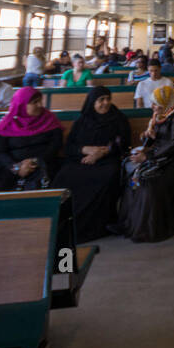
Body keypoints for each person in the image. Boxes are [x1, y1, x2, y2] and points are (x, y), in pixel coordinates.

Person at [115, 85, 174, 242]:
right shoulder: (162, 115)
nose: (153, 107)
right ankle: (130, 223)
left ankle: (147, 228)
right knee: (132, 174)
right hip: (164, 157)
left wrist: (147, 156)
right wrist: (148, 136)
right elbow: (154, 142)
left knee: (148, 181)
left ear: (167, 102)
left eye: (156, 103)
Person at [55, 87, 131, 242]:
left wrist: (102, 153)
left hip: (108, 160)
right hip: (80, 159)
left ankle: (97, 226)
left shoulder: (118, 118)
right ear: (92, 102)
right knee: (65, 176)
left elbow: (122, 142)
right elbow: (69, 146)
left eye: (108, 99)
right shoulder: (82, 120)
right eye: (101, 100)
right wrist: (84, 149)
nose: (106, 103)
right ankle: (62, 223)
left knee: (106, 177)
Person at [0, 87, 64, 191]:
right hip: (13, 167)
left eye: (40, 101)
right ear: (21, 105)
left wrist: (35, 162)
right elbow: (0, 151)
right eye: (35, 102)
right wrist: (17, 168)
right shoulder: (6, 124)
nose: (40, 105)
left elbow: (55, 145)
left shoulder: (50, 119)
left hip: (45, 163)